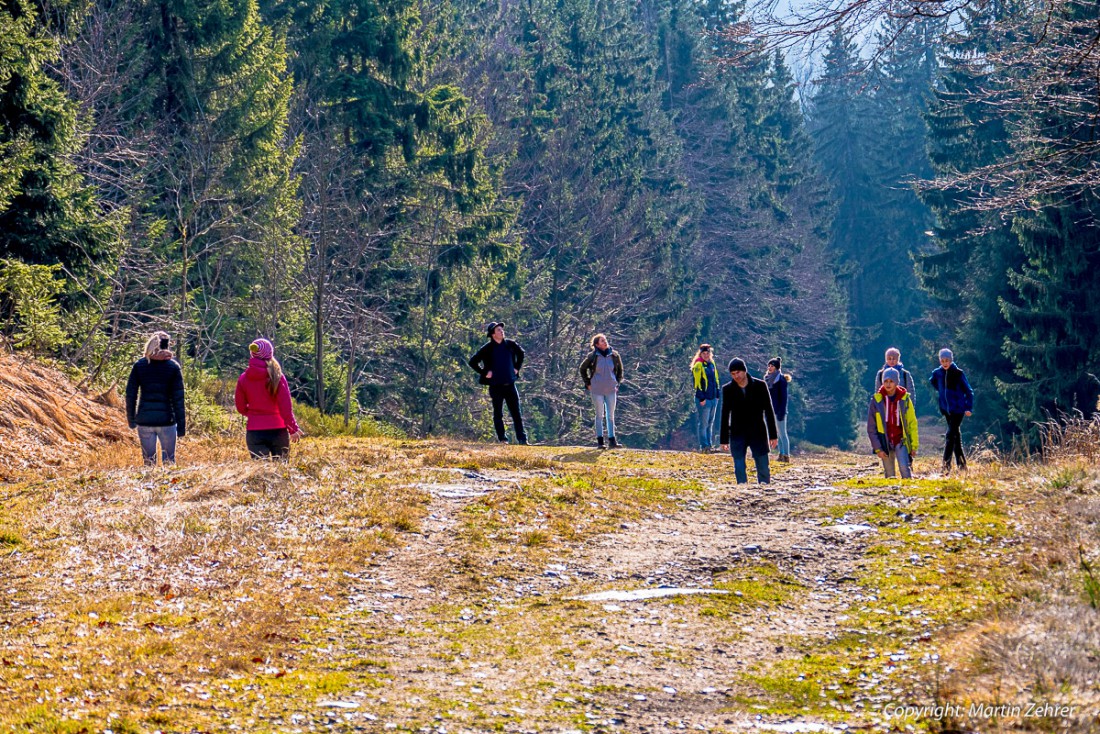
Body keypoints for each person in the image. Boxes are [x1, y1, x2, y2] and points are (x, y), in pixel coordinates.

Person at [235, 338, 302, 460]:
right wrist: (293, 428)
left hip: (254, 431)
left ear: (253, 354)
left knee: (260, 473)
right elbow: (285, 406)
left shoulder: (243, 378)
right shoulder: (277, 376)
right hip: (278, 431)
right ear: (270, 354)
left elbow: (240, 407)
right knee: (280, 472)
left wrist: (254, 414)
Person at [125, 331, 186, 466]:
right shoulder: (173, 367)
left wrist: (131, 419)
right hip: (167, 421)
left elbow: (131, 395)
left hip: (144, 420)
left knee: (148, 463)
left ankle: (148, 486)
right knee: (169, 462)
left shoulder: (140, 365)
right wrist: (181, 427)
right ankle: (169, 486)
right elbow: (179, 399)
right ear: (167, 346)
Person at [468, 322, 529, 445]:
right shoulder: (487, 349)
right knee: (498, 414)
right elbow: (473, 362)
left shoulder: (510, 345)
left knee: (516, 413)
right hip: (496, 386)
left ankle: (522, 440)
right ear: (492, 334)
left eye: (502, 330)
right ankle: (503, 439)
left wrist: (517, 367)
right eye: (498, 330)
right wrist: (484, 372)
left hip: (510, 385)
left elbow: (521, 353)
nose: (502, 332)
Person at [719, 358, 779, 484]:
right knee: (739, 464)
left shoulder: (760, 386)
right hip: (737, 431)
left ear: (744, 371)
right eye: (733, 374)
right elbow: (725, 414)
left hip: (757, 429)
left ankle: (765, 488)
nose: (736, 376)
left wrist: (773, 435)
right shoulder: (728, 389)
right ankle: (742, 488)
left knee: (762, 464)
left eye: (738, 373)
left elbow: (768, 410)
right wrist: (723, 439)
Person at [867, 367, 919, 478]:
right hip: (884, 441)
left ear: (896, 382)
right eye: (886, 381)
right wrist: (878, 448)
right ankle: (891, 493)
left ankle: (908, 490)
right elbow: (871, 428)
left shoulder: (904, 399)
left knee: (904, 467)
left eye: (891, 381)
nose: (888, 384)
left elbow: (912, 423)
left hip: (901, 440)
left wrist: (913, 445)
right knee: (889, 472)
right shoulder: (876, 401)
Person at [929, 348, 974, 472]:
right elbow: (932, 382)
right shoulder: (937, 373)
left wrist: (968, 407)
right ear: (940, 360)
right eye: (942, 361)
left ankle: (945, 467)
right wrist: (942, 394)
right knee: (955, 437)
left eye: (947, 360)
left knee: (949, 435)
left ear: (951, 360)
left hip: (958, 409)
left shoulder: (958, 373)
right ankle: (962, 466)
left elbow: (969, 391)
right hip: (946, 410)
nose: (945, 363)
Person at [579, 333, 624, 449]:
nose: (605, 342)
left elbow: (620, 371)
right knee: (599, 415)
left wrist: (617, 383)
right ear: (597, 345)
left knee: (611, 416)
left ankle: (612, 440)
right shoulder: (592, 357)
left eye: (605, 340)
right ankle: (600, 442)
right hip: (597, 390)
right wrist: (588, 383)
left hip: (611, 389)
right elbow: (582, 369)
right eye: (602, 341)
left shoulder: (614, 355)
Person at [691, 344, 720, 452]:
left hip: (713, 398)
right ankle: (704, 446)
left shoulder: (712, 364)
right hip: (704, 399)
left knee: (710, 423)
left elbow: (716, 379)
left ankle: (709, 445)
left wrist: (717, 394)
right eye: (704, 353)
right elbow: (697, 383)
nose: (706, 355)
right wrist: (701, 397)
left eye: (708, 353)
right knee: (703, 423)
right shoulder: (698, 365)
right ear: (700, 353)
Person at [764, 357, 792, 462]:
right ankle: (781, 454)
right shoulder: (767, 379)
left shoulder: (781, 380)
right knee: (777, 434)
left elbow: (784, 398)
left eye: (772, 366)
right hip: (771, 410)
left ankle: (786, 455)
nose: (770, 368)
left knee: (783, 434)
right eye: (769, 366)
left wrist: (781, 411)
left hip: (779, 411)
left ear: (776, 368)